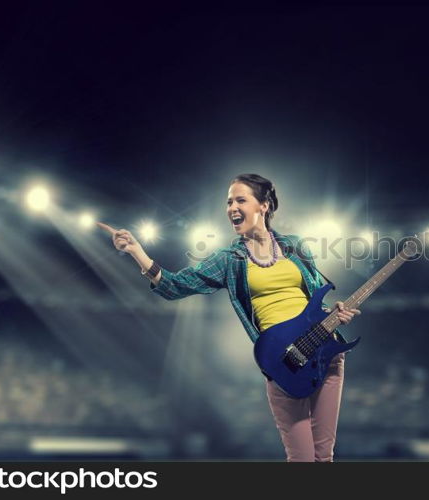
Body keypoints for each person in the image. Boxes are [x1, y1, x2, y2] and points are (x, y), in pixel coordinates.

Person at [97, 173, 361, 462]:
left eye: (240, 200)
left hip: (326, 352)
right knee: (302, 459)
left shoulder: (295, 246)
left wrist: (333, 313)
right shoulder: (229, 259)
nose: (232, 207)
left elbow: (313, 295)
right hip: (285, 363)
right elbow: (174, 287)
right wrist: (137, 252)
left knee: (324, 457)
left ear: (264, 205)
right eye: (229, 202)